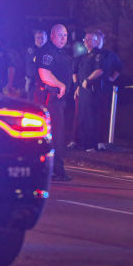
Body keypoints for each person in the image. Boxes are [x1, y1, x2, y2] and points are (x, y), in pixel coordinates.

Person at [36, 24, 73, 181]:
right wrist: (60, 85)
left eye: (65, 35)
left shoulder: (59, 52)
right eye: (60, 35)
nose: (63, 38)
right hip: (49, 99)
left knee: (56, 135)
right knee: (55, 136)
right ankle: (56, 170)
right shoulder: (48, 52)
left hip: (57, 100)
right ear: (52, 36)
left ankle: (51, 169)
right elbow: (44, 73)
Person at [70, 31, 103, 150]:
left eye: (91, 40)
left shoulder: (98, 55)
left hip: (91, 89)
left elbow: (99, 70)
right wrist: (78, 87)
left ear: (96, 41)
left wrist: (88, 80)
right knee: (82, 116)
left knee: (90, 117)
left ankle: (91, 144)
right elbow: (78, 72)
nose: (88, 42)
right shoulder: (84, 56)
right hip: (82, 90)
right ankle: (83, 143)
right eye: (86, 40)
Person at [93, 30, 122, 150]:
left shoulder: (109, 54)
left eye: (100, 39)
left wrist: (112, 78)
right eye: (96, 39)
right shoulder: (90, 54)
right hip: (92, 89)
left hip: (105, 88)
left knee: (103, 113)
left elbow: (119, 67)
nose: (98, 41)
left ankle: (102, 140)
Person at [25, 29, 48, 98]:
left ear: (46, 39)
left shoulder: (50, 51)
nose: (40, 40)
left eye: (42, 38)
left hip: (46, 83)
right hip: (32, 82)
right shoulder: (31, 50)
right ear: (35, 39)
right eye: (38, 38)